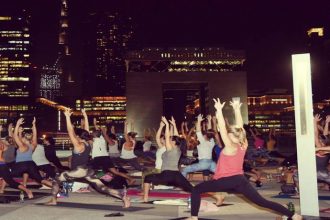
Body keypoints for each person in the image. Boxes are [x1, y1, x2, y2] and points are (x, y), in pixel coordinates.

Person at [184, 98, 302, 220]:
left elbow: (222, 128)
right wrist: (236, 109)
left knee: (196, 189)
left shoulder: (229, 146)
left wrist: (219, 110)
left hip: (225, 180)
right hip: (240, 180)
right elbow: (241, 128)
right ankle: (293, 215)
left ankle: (193, 217)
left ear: (231, 137)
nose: (227, 137)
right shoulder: (243, 144)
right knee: (262, 202)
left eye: (229, 135)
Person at [45, 109, 130, 207]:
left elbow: (70, 131)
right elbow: (85, 130)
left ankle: (54, 200)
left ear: (78, 136)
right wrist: (85, 115)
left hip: (79, 170)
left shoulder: (78, 145)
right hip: (88, 170)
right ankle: (123, 197)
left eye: (75, 136)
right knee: (101, 188)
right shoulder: (89, 143)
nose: (74, 137)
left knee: (56, 179)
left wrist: (67, 117)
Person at [90, 117, 135, 185]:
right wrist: (95, 124)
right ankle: (130, 179)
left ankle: (109, 180)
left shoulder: (95, 139)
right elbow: (98, 131)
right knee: (115, 172)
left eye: (92, 133)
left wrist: (95, 124)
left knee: (95, 172)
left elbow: (95, 131)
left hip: (98, 158)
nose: (91, 134)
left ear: (94, 135)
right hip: (105, 157)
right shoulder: (102, 138)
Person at [11, 118, 52, 188]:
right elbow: (35, 135)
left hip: (21, 165)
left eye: (22, 138)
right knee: (41, 180)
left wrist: (17, 124)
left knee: (6, 176)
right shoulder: (33, 145)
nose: (21, 139)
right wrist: (34, 125)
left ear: (24, 139)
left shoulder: (22, 146)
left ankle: (1, 189)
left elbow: (15, 137)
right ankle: (60, 187)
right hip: (31, 164)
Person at [181, 114, 216, 180]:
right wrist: (209, 120)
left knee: (185, 170)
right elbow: (210, 132)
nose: (203, 135)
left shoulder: (203, 141)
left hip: (203, 163)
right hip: (211, 163)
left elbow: (198, 131)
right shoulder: (212, 142)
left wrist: (199, 120)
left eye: (204, 135)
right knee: (221, 173)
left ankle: (182, 185)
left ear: (205, 136)